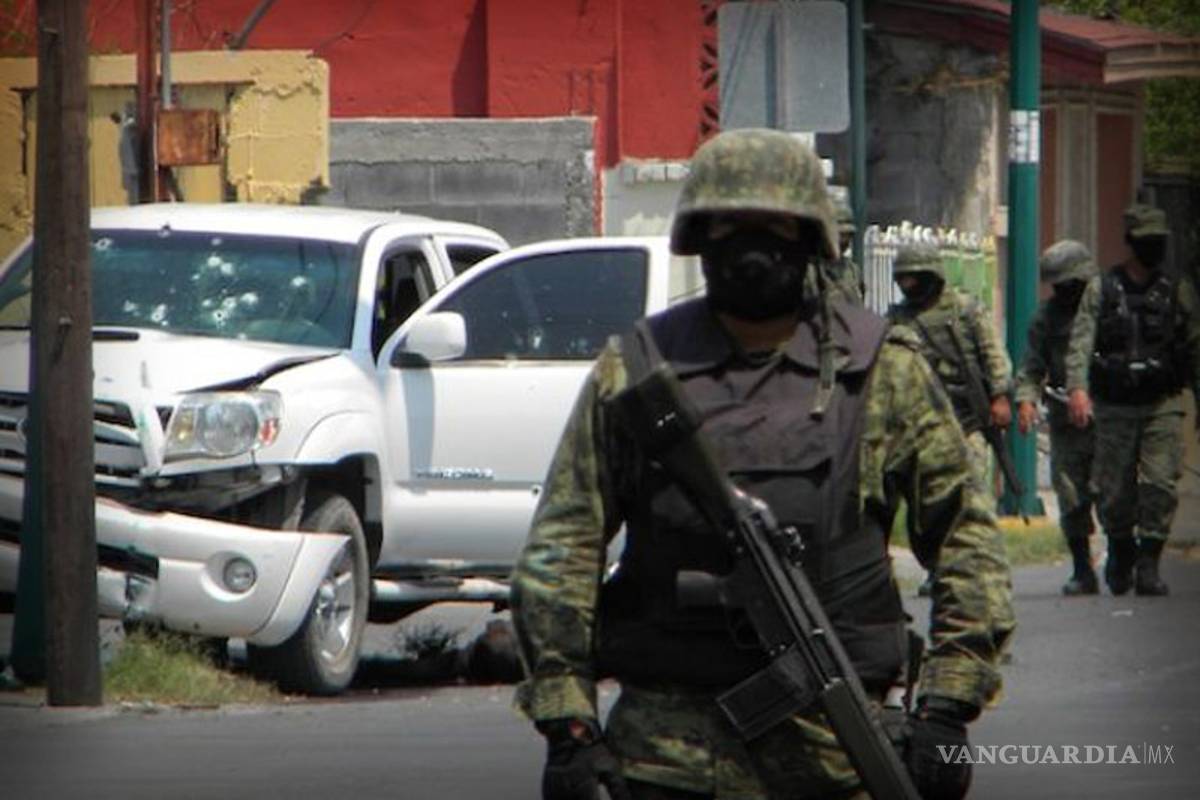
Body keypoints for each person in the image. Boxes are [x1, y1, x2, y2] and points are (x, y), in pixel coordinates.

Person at [510, 129, 1014, 800]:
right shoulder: (635, 373)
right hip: (665, 757)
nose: (750, 245)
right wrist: (566, 720)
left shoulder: (883, 371)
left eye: (773, 225)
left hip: (837, 755)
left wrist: (949, 703)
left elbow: (966, 537)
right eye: (729, 225)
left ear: (808, 237)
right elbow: (562, 545)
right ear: (700, 235)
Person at [1065, 203, 1200, 597]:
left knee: (1160, 482)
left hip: (1163, 403)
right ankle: (1122, 548)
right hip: (1115, 404)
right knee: (1113, 490)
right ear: (1131, 243)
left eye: (1158, 242)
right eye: (1146, 242)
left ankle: (1150, 563)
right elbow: (1081, 341)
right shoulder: (1103, 288)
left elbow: (1194, 345)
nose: (1153, 248)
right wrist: (1077, 388)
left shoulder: (1178, 289)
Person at [1015, 240, 1099, 595]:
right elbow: (1032, 365)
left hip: (1111, 413)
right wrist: (1026, 400)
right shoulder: (1046, 318)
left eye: (1070, 285)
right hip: (1067, 417)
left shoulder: (1105, 310)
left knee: (1112, 493)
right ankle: (1082, 569)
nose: (1064, 292)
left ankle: (1130, 558)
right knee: (1070, 493)